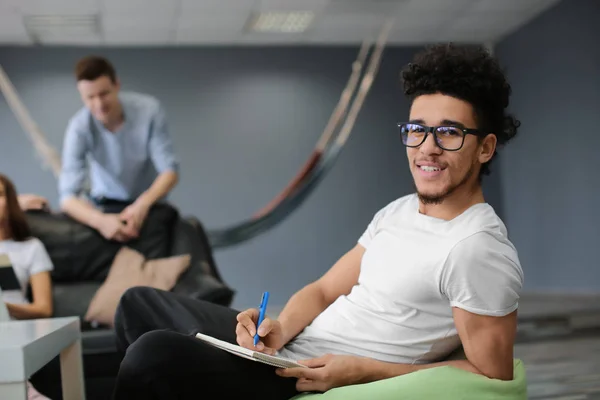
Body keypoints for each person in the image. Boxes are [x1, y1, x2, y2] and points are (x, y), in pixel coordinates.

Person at [110, 43, 524, 399]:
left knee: (152, 355)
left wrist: (364, 371)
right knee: (136, 303)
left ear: (485, 148)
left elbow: (491, 377)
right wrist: (278, 329)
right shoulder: (398, 211)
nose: (427, 149)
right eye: (417, 130)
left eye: (449, 133)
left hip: (308, 374)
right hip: (291, 347)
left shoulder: (477, 248)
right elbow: (325, 290)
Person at [58, 55, 179, 243]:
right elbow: (67, 198)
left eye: (104, 93)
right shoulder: (78, 128)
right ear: (81, 96)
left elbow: (170, 172)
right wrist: (99, 221)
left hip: (149, 204)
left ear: (117, 85)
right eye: (90, 97)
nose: (98, 104)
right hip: (105, 208)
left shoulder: (149, 111)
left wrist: (142, 204)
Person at [0, 174, 53, 400]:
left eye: (0, 195)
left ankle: (27, 393)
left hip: (12, 325)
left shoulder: (30, 247)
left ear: (11, 201)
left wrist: (4, 307)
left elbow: (44, 308)